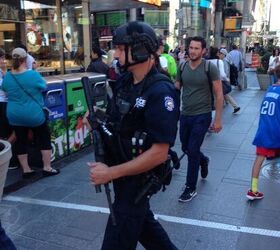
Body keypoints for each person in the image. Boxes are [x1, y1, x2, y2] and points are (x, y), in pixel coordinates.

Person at [88, 21, 179, 250]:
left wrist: (110, 172)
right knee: (149, 233)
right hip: (123, 179)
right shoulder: (125, 81)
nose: (115, 54)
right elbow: (116, 124)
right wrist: (96, 123)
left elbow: (159, 153)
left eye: (120, 48)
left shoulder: (161, 91)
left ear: (139, 50)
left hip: (137, 183)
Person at [175, 37, 223, 202]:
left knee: (193, 149)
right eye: (191, 48)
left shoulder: (210, 67)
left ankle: (190, 187)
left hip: (202, 115)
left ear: (203, 51)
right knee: (186, 147)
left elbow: (218, 94)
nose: (193, 51)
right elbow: (176, 89)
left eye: (197, 48)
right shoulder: (182, 66)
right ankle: (204, 160)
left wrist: (217, 119)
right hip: (185, 114)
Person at [2, 48, 60, 178]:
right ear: (25, 59)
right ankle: (47, 167)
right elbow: (44, 86)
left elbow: (5, 91)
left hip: (14, 114)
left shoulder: (8, 77)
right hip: (34, 114)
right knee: (44, 138)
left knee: (20, 141)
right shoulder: (32, 75)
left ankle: (27, 170)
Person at [246, 64, 280, 201]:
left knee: (259, 159)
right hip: (276, 130)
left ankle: (253, 190)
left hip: (265, 130)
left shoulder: (271, 89)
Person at [0, 48, 18, 170]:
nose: (4, 60)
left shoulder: (1, 72)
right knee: (10, 131)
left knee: (6, 132)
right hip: (3, 104)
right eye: (1, 58)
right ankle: (6, 158)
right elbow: (7, 88)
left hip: (4, 103)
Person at [218, 48, 241, 114]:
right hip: (224, 79)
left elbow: (226, 71)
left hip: (223, 80)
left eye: (220, 54)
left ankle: (235, 106)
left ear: (223, 54)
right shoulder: (223, 61)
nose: (219, 55)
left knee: (225, 94)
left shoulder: (224, 61)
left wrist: (226, 79)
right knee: (224, 94)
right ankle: (227, 104)